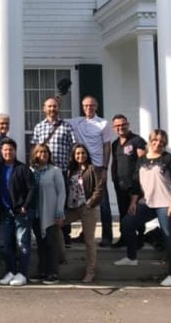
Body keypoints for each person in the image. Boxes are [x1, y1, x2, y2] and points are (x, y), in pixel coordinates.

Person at [114, 129, 171, 287]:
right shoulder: (142, 160)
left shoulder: (169, 159)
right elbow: (136, 184)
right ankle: (131, 258)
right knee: (127, 224)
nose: (158, 143)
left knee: (169, 236)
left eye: (162, 142)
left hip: (167, 203)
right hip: (147, 203)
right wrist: (133, 203)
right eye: (155, 140)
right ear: (150, 141)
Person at [65, 96, 114, 247]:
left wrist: (105, 168)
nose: (88, 108)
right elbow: (56, 115)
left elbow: (107, 146)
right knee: (81, 199)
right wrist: (59, 96)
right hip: (82, 166)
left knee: (102, 202)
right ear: (82, 106)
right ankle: (83, 233)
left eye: (91, 105)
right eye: (86, 105)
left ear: (96, 106)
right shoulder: (77, 121)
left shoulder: (103, 124)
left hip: (98, 167)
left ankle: (107, 236)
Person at [32, 97, 76, 249]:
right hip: (43, 171)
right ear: (44, 109)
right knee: (45, 203)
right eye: (49, 106)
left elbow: (74, 146)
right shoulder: (39, 127)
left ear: (59, 108)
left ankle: (64, 236)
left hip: (61, 170)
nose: (52, 109)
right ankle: (45, 233)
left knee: (61, 203)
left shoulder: (66, 127)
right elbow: (35, 148)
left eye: (55, 106)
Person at [0, 137, 34, 287]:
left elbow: (31, 188)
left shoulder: (23, 168)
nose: (8, 152)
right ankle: (11, 271)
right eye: (5, 150)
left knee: (22, 243)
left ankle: (22, 273)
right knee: (4, 243)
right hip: (4, 212)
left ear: (15, 151)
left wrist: (25, 205)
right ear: (1, 152)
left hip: (21, 212)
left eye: (10, 150)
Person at [64, 143, 106, 283]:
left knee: (89, 241)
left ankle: (90, 271)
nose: (80, 156)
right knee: (56, 224)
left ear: (87, 154)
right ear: (73, 156)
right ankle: (61, 256)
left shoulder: (92, 169)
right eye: (77, 153)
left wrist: (90, 203)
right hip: (73, 208)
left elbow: (99, 189)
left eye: (83, 153)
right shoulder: (71, 170)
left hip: (88, 208)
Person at [30, 143, 65, 285]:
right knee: (40, 243)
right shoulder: (32, 170)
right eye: (39, 152)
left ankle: (53, 272)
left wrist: (59, 212)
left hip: (50, 212)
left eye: (45, 152)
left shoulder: (55, 171)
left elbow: (61, 192)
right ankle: (42, 271)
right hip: (36, 212)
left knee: (51, 243)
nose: (43, 154)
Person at [109, 114, 147, 248]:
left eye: (123, 124)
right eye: (117, 125)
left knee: (136, 211)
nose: (120, 127)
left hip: (135, 183)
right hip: (120, 184)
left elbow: (143, 162)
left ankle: (140, 238)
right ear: (114, 128)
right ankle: (124, 238)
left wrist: (142, 183)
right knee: (123, 212)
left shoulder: (137, 141)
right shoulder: (115, 144)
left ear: (128, 125)